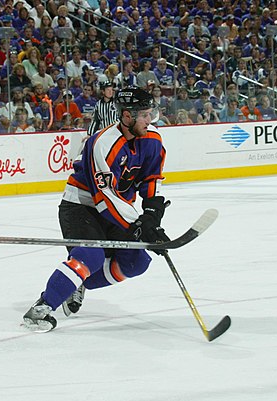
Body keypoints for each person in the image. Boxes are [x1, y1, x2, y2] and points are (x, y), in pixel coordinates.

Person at [22, 87, 169, 332]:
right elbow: (105, 197)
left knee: (136, 262)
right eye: (144, 114)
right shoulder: (103, 143)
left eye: (150, 113)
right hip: (81, 206)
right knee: (90, 256)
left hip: (116, 207)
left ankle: (78, 282)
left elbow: (152, 177)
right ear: (126, 116)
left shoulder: (152, 138)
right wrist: (138, 226)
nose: (150, 119)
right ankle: (41, 308)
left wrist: (152, 215)